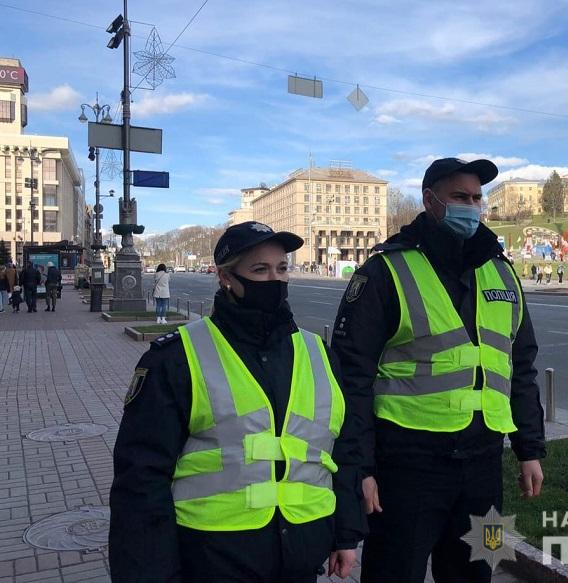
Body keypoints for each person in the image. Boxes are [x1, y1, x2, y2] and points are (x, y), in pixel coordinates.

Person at [109, 222, 365, 583]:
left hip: (302, 556)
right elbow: (141, 479)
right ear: (226, 277)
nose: (275, 279)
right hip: (214, 558)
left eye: (282, 268)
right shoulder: (177, 356)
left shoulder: (318, 353)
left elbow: (343, 450)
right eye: (260, 270)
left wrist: (346, 534)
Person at [331, 157, 545, 583]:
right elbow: (350, 380)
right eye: (459, 197)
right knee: (394, 573)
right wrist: (362, 470)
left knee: (480, 570)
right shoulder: (385, 271)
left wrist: (529, 448)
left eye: (476, 197)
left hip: (485, 466)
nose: (472, 206)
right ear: (430, 201)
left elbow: (519, 366)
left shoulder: (501, 271)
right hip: (407, 467)